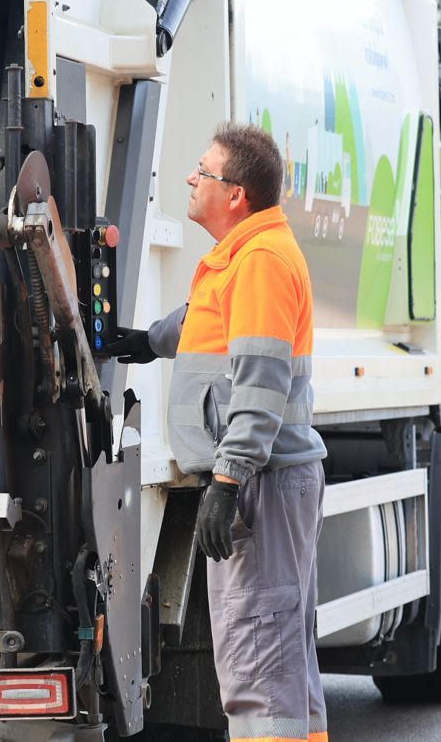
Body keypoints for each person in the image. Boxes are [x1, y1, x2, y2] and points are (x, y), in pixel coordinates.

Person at [103, 122, 329, 742]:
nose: (190, 177)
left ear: (235, 194)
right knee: (281, 661)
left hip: (259, 484)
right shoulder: (242, 258)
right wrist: (147, 342)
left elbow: (259, 386)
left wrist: (227, 480)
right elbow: (208, 323)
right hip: (270, 482)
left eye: (202, 170)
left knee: (258, 663)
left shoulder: (259, 261)